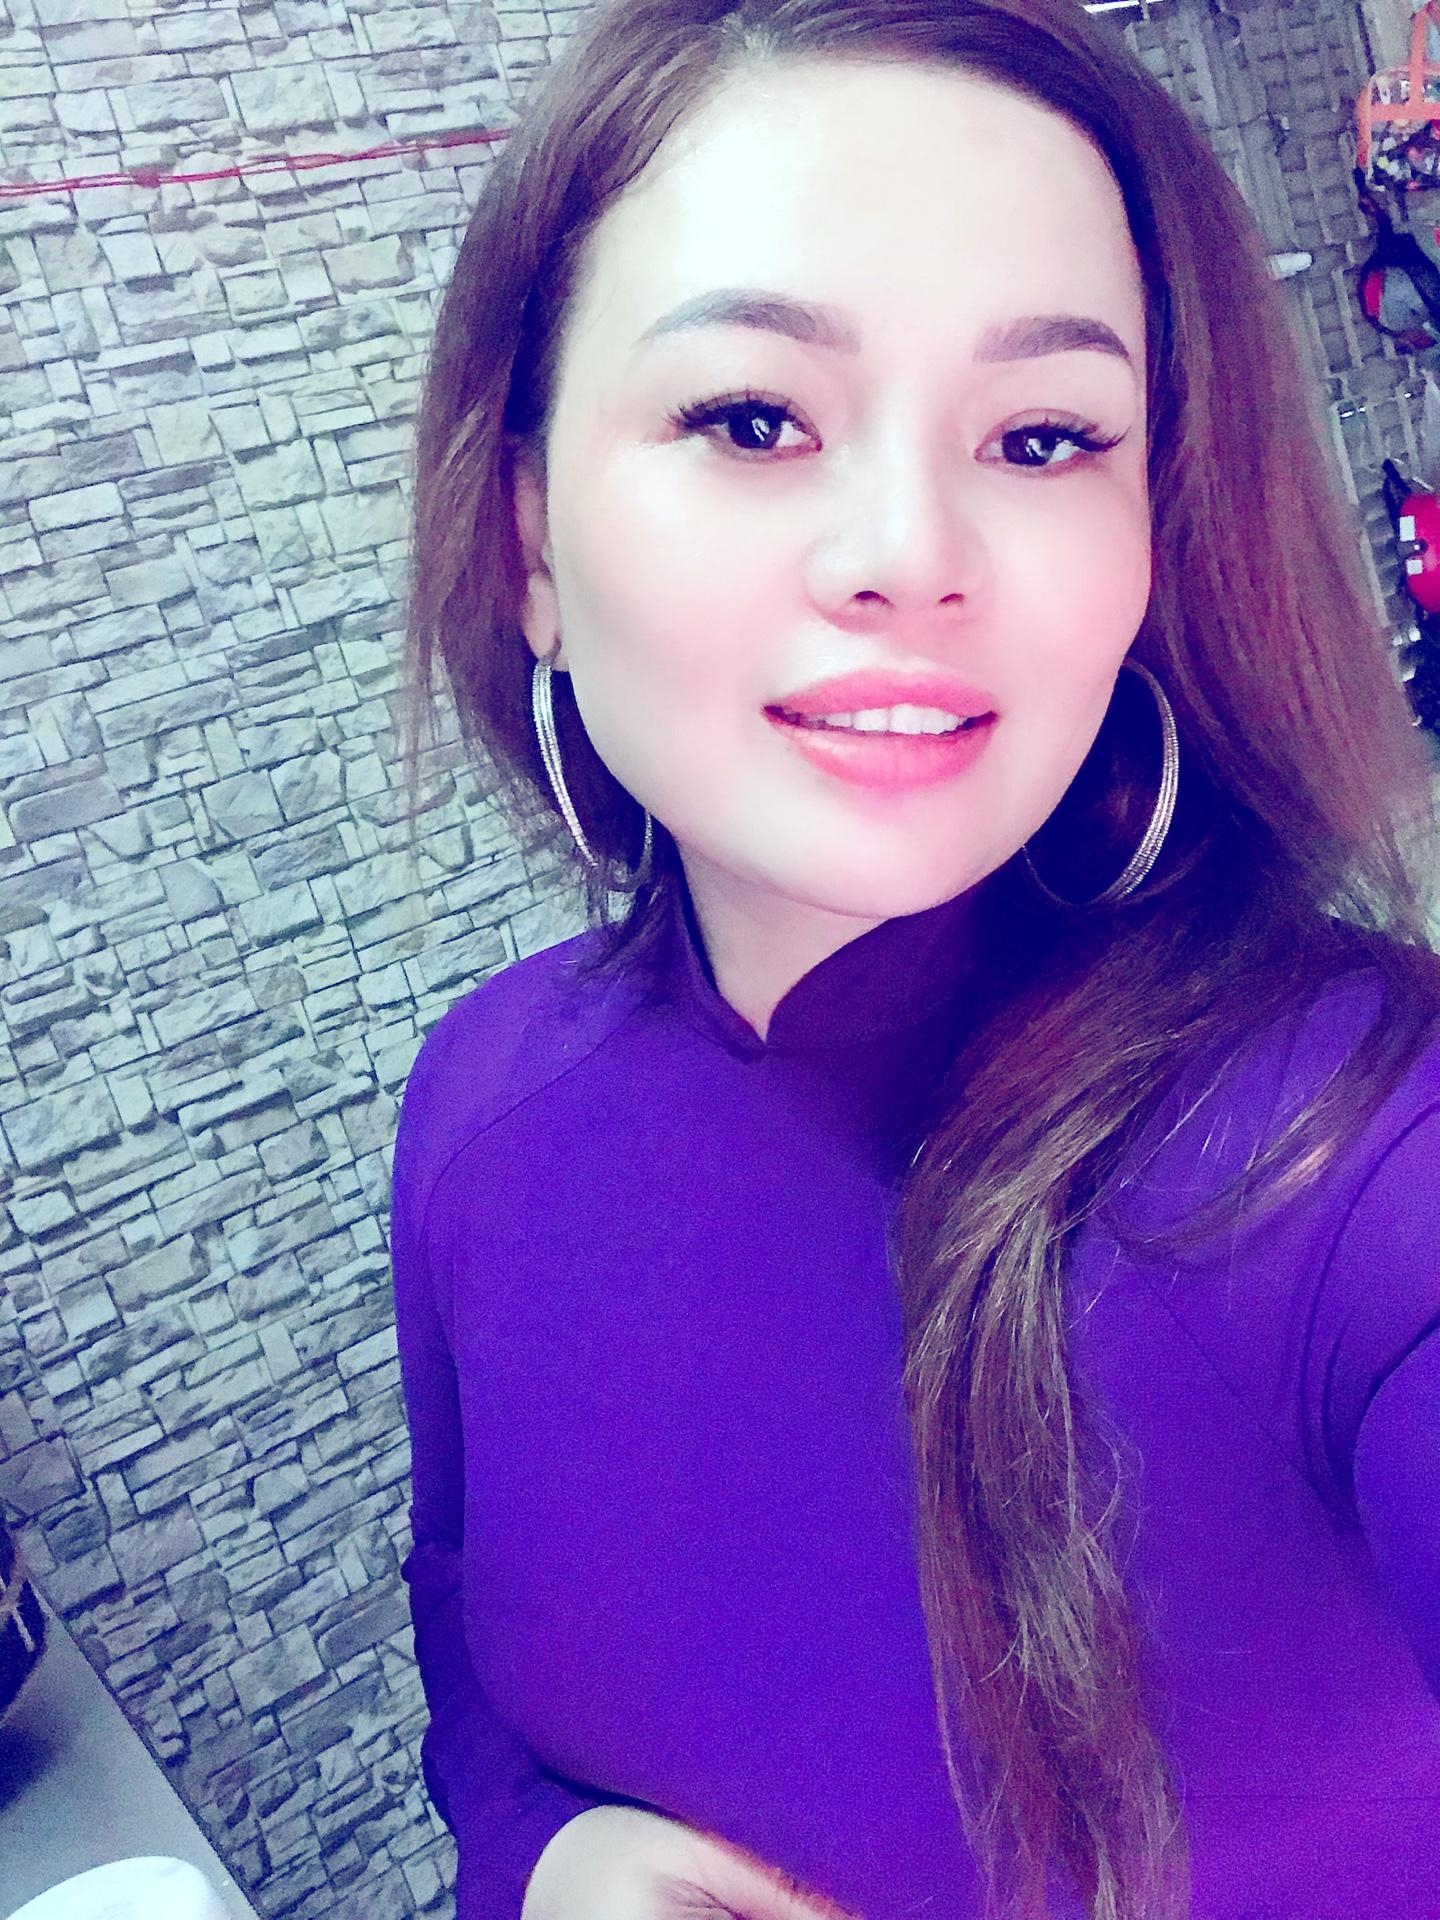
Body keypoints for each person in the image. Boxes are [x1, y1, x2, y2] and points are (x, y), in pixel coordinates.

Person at [389, 2, 1440, 1917]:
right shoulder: (482, 1105)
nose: (908, 550)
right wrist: (548, 1856)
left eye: (1043, 438)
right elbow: (476, 1658)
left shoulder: (1356, 1153)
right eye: (753, 419)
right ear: (531, 538)